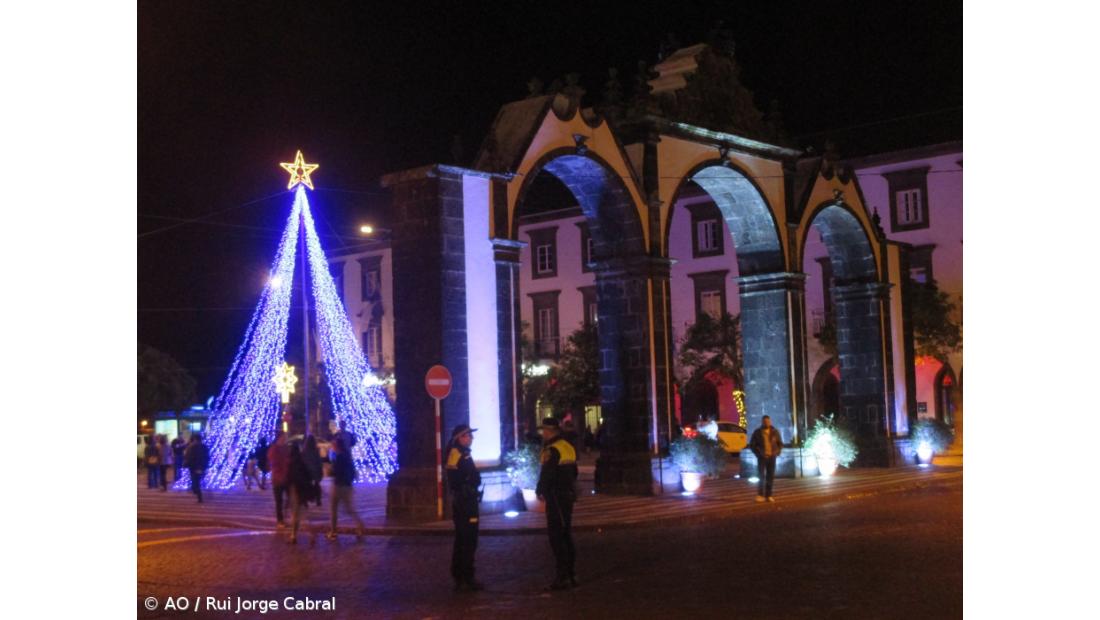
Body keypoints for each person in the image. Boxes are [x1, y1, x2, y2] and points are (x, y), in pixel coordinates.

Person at [537, 417, 579, 590]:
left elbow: (548, 473)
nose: (543, 434)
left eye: (544, 431)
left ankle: (563, 576)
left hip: (555, 496)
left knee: (557, 537)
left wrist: (540, 490)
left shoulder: (551, 449)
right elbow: (574, 472)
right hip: (567, 495)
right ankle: (570, 573)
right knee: (566, 534)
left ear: (549, 431)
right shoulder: (567, 446)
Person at [446, 424, 483, 592]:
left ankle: (464, 576)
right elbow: (455, 479)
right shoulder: (457, 454)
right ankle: (464, 577)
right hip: (464, 503)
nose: (471, 438)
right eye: (468, 435)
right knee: (466, 540)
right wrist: (467, 488)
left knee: (468, 539)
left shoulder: (464, 453)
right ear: (460, 437)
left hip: (468, 500)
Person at [327, 435, 365, 541]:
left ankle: (333, 531)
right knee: (349, 509)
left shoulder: (338, 457)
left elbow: (334, 472)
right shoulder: (347, 456)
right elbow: (351, 471)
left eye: (333, 445)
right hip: (347, 485)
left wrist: (330, 470)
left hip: (338, 486)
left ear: (337, 446)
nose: (332, 447)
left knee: (334, 509)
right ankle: (360, 525)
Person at [286, 442, 319, 544]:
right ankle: (299, 535)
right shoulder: (301, 461)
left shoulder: (291, 462)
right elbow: (308, 475)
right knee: (301, 514)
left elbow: (290, 478)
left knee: (297, 515)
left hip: (295, 491)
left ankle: (295, 536)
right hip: (302, 491)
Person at [748, 415, 783, 503]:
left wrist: (777, 452)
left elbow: (780, 443)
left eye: (768, 421)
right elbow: (752, 445)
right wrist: (758, 454)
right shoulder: (757, 432)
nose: (766, 423)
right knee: (761, 476)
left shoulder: (775, 432)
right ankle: (760, 495)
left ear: (770, 422)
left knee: (770, 477)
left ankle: (769, 495)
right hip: (762, 457)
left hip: (772, 457)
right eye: (765, 422)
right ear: (762, 422)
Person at [267, 431, 291, 527]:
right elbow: (274, 463)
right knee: (279, 501)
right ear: (279, 438)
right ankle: (280, 520)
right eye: (283, 437)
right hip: (278, 479)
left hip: (286, 478)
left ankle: (285, 516)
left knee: (289, 498)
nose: (285, 439)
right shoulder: (274, 449)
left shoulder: (285, 448)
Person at [183, 433, 208, 503]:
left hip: (194, 466)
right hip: (201, 466)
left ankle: (197, 492)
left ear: (195, 439)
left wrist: (186, 464)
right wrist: (205, 465)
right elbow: (207, 457)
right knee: (198, 480)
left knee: (195, 481)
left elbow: (188, 456)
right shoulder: (204, 446)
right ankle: (198, 494)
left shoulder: (191, 447)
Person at [302, 435, 324, 507]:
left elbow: (303, 461)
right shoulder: (315, 451)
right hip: (315, 470)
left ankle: (305, 501)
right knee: (316, 485)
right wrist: (320, 469)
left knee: (306, 486)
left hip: (306, 471)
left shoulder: (304, 451)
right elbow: (319, 461)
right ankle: (318, 500)